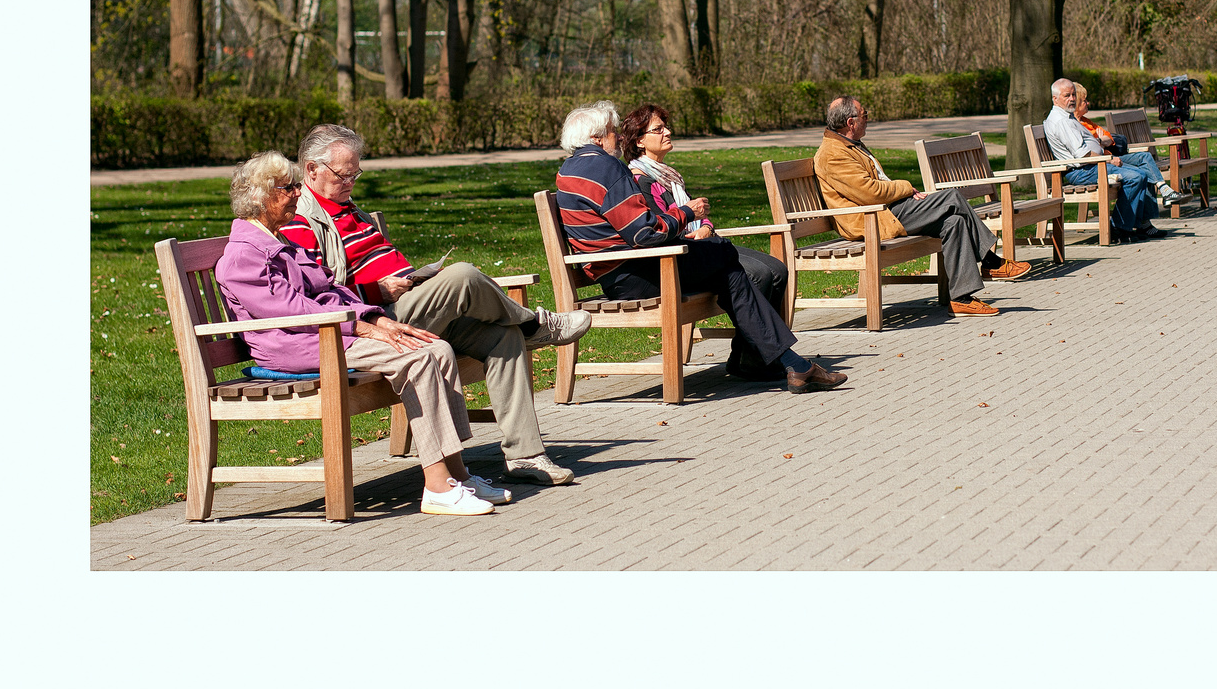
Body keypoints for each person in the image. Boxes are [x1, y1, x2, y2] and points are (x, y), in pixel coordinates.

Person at [284, 123, 590, 487]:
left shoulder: (349, 208)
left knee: (501, 337)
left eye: (356, 172)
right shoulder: (300, 220)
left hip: (408, 302)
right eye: (343, 174)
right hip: (379, 320)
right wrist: (377, 291)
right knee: (462, 275)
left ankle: (526, 456)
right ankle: (534, 325)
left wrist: (413, 278)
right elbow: (320, 293)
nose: (351, 180)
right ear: (311, 169)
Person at [214, 150, 505, 517]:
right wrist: (361, 326)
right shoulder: (244, 256)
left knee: (438, 349)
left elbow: (330, 289)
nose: (297, 194)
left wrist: (379, 320)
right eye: (287, 188)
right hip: (298, 346)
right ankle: (436, 486)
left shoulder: (279, 241)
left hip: (329, 335)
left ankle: (457, 474)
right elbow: (292, 311)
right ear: (261, 196)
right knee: (416, 357)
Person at [555, 100, 846, 394]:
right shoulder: (605, 166)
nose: (617, 137)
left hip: (615, 275)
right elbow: (644, 232)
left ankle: (792, 364)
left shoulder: (567, 171)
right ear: (595, 138)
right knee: (723, 254)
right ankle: (777, 361)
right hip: (637, 273)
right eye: (611, 131)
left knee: (728, 271)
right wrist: (687, 213)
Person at [813, 96, 1029, 319]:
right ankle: (991, 262)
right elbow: (870, 193)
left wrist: (902, 193)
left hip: (888, 210)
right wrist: (906, 187)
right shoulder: (833, 153)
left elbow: (876, 187)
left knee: (954, 222)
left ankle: (961, 300)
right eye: (864, 115)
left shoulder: (848, 145)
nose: (867, 119)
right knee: (952, 198)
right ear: (851, 122)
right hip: (873, 218)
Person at [618, 103, 788, 382]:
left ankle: (747, 357)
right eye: (658, 129)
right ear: (639, 141)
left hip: (704, 244)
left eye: (666, 127)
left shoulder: (667, 175)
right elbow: (663, 226)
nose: (667, 132)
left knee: (777, 269)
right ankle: (752, 359)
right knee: (758, 275)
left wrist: (706, 228)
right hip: (684, 255)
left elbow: (700, 217)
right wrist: (694, 231)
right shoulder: (642, 181)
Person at [1044, 79, 1177, 241]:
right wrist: (1109, 159)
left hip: (1094, 164)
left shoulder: (1067, 116)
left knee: (1143, 167)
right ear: (1055, 99)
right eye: (1067, 96)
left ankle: (1142, 224)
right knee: (1137, 176)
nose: (1072, 99)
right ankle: (1119, 228)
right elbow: (1083, 155)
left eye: (1073, 95)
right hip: (1083, 171)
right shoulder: (1062, 121)